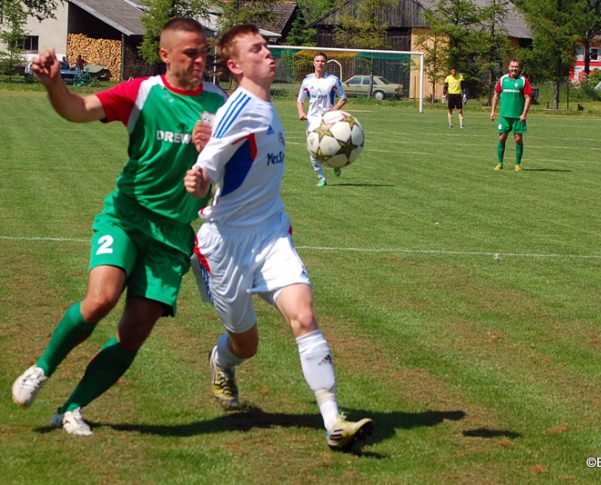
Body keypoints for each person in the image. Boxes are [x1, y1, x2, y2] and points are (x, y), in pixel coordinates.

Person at [11, 18, 227, 436]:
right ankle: (41, 368)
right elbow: (79, 109)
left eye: (205, 52)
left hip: (174, 235)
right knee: (100, 299)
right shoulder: (143, 92)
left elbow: (239, 169)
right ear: (165, 55)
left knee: (133, 332)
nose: (201, 60)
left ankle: (72, 408)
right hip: (128, 218)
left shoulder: (221, 104)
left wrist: (212, 155)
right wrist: (54, 85)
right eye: (191, 53)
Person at [185, 25, 373, 451]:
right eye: (257, 49)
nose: (269, 54)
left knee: (304, 316)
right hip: (227, 244)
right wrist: (197, 179)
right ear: (236, 65)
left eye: (267, 46)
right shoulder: (240, 108)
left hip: (271, 235)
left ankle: (334, 422)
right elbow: (208, 166)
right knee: (245, 344)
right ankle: (222, 361)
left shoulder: (269, 105)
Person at [296, 52, 347, 187]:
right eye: (317, 61)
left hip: (329, 120)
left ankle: (336, 163)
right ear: (313, 63)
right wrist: (301, 112)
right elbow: (300, 100)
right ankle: (321, 178)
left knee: (332, 146)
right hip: (312, 120)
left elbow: (343, 98)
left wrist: (334, 109)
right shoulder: (307, 81)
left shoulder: (333, 80)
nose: (320, 63)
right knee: (313, 151)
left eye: (322, 61)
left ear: (326, 63)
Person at [490, 59, 533, 172]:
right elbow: (496, 95)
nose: (514, 69)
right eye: (512, 66)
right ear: (508, 67)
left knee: (518, 139)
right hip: (504, 116)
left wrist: (524, 114)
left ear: (519, 68)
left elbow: (528, 98)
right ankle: (500, 163)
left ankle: (517, 164)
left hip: (518, 117)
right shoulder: (503, 79)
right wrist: (493, 111)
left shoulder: (523, 81)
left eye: (516, 67)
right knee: (501, 138)